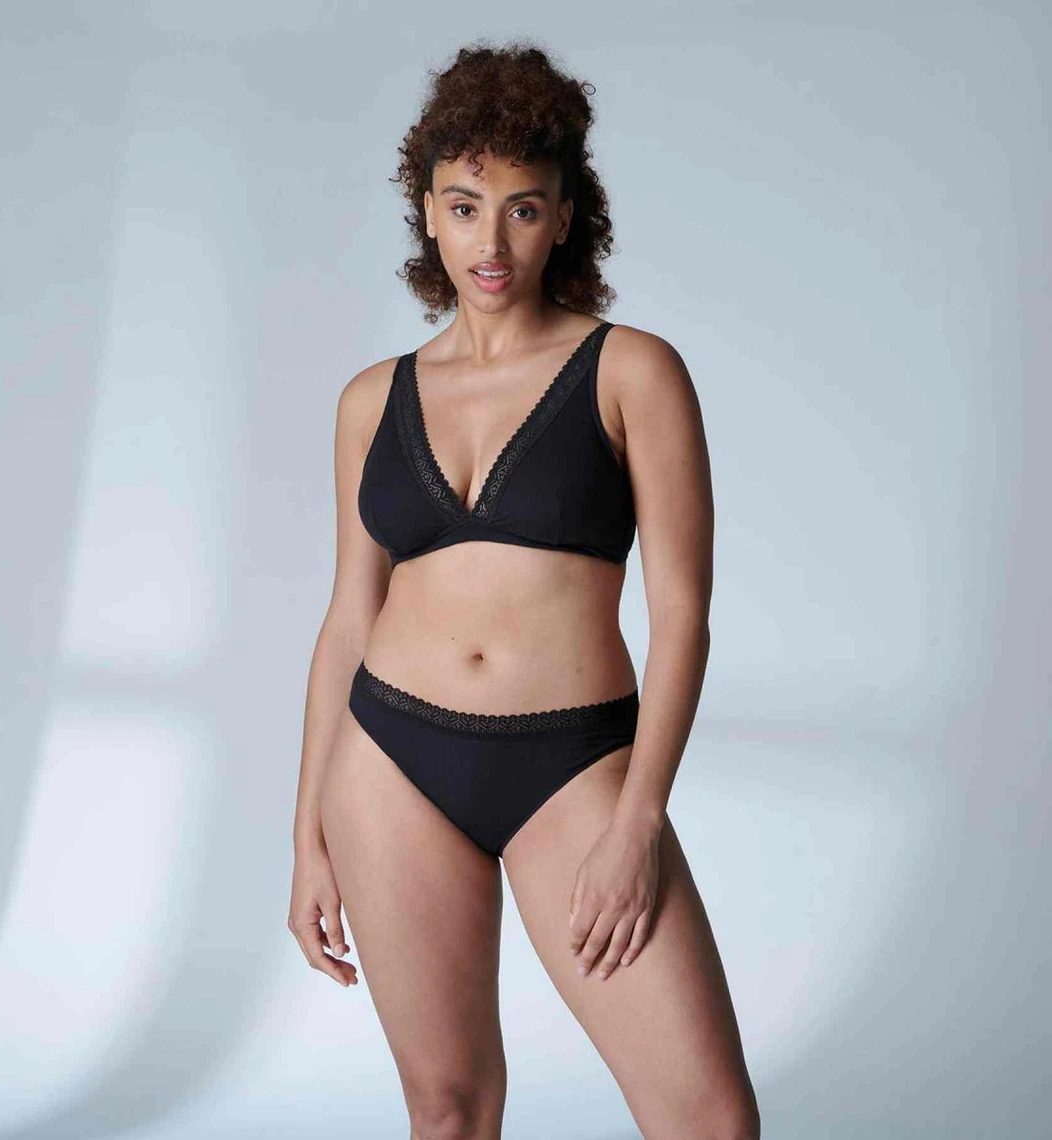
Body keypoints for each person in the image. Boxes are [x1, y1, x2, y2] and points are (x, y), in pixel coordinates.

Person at [289, 40, 759, 1140]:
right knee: (449, 1109)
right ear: (428, 212)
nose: (491, 243)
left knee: (707, 1118)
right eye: (465, 208)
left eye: (522, 209)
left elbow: (683, 616)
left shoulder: (633, 371)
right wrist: (306, 834)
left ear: (564, 217)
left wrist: (639, 819)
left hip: (573, 767)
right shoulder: (371, 400)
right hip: (390, 763)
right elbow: (349, 619)